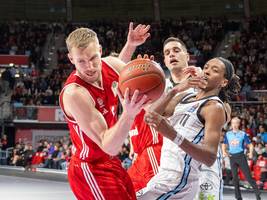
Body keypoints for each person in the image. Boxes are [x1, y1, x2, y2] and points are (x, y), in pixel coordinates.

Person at [59, 22, 150, 200]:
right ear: (71, 59)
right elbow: (110, 146)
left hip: (109, 162)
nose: (89, 66)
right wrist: (129, 114)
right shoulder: (76, 94)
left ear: (100, 50)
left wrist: (132, 47)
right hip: (89, 167)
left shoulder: (112, 65)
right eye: (81, 61)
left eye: (93, 58)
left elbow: (126, 75)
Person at [141, 57, 240, 199]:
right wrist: (175, 90)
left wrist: (172, 134)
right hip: (165, 175)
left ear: (224, 82)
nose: (207, 72)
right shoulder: (184, 97)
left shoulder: (215, 106)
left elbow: (209, 157)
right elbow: (150, 117)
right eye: (206, 67)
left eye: (214, 70)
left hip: (182, 180)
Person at [119, 37, 194, 193]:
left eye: (176, 50)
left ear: (187, 56)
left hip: (189, 156)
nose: (172, 55)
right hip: (164, 154)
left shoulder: (201, 81)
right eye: (167, 53)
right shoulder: (161, 85)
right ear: (165, 61)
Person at [222, 117, 261, 200]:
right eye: (233, 123)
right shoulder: (228, 134)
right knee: (235, 178)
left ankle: (257, 193)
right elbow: (224, 144)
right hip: (232, 157)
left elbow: (250, 145)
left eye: (236, 123)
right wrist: (224, 152)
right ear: (231, 124)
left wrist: (250, 153)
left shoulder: (243, 134)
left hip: (241, 157)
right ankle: (238, 197)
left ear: (239, 124)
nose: (234, 125)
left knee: (248, 177)